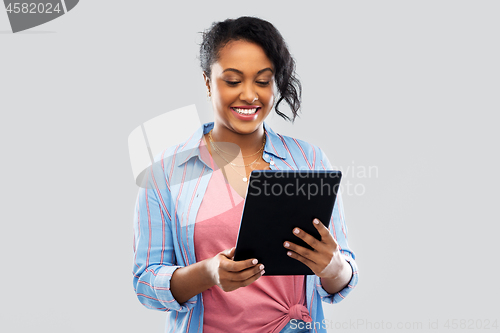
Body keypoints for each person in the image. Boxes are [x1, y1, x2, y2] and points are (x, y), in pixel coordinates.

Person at [132, 16, 358, 333]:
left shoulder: (308, 159)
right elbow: (144, 283)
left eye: (263, 81)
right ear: (208, 81)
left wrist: (332, 267)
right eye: (233, 81)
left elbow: (342, 275)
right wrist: (208, 273)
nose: (250, 95)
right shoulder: (166, 170)